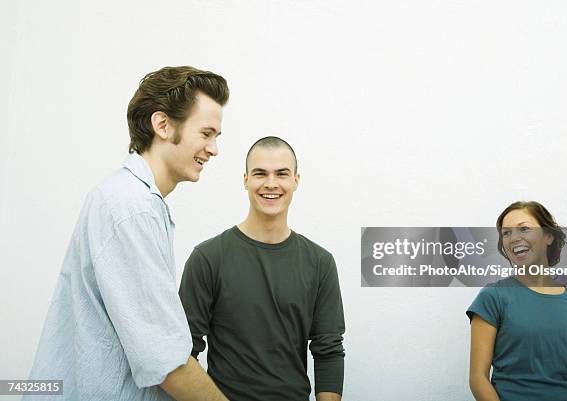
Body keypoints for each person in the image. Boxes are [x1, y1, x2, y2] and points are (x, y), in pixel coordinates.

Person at [26, 66, 232, 401]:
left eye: (216, 137)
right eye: (206, 133)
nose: (213, 149)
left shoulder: (139, 203)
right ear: (162, 125)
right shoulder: (129, 207)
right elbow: (166, 360)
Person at [179, 136, 345, 401]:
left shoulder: (320, 263)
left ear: (296, 181)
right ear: (245, 180)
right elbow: (183, 353)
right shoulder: (208, 258)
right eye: (260, 174)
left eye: (281, 174)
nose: (271, 183)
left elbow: (329, 351)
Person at [467, 201, 567, 401]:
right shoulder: (493, 296)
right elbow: (478, 378)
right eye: (506, 233)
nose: (514, 238)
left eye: (524, 228)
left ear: (548, 236)